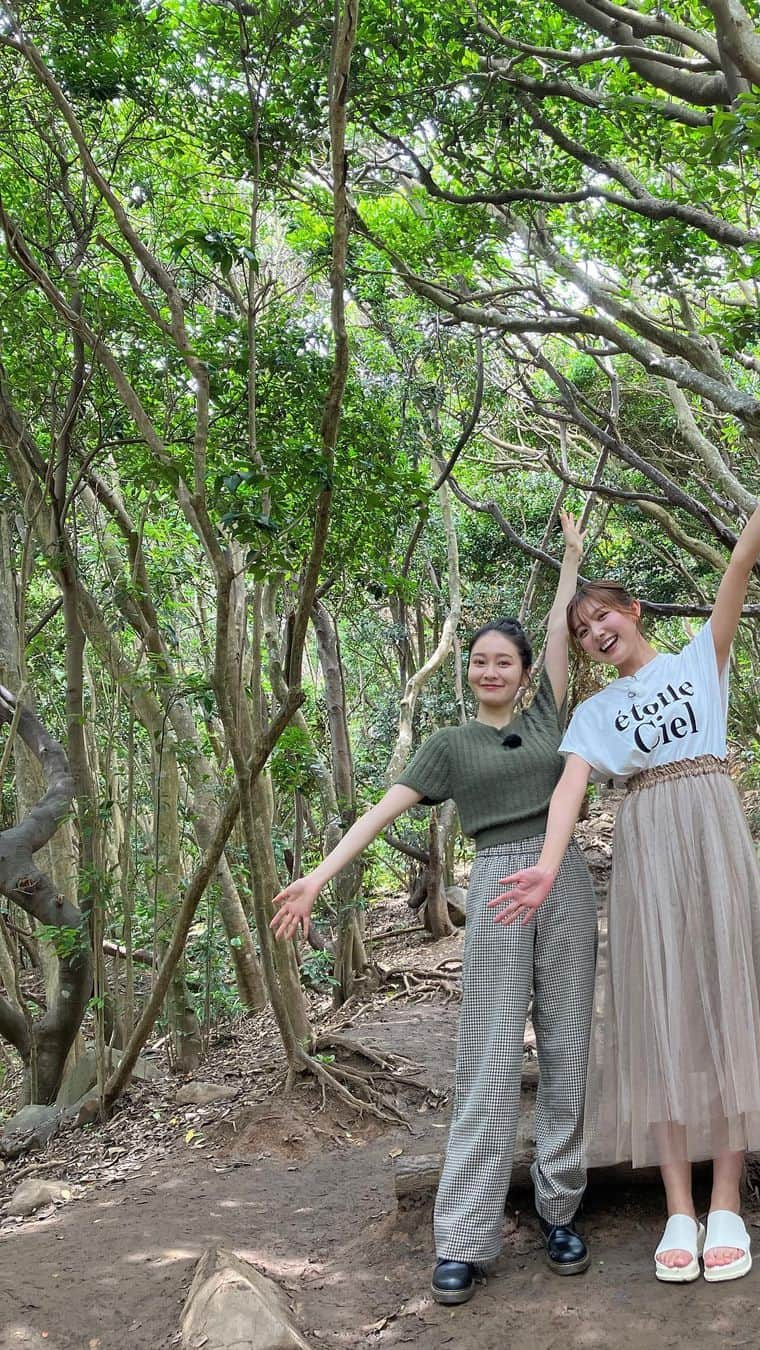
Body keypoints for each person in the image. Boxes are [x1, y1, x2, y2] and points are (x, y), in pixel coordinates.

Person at [490, 421, 760, 1284]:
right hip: (644, 847)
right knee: (660, 1015)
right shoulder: (593, 718)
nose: (596, 631)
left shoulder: (697, 662)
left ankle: (726, 1206)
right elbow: (568, 790)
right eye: (583, 626)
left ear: (633, 611)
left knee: (725, 1005)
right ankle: (678, 1206)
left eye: (604, 614)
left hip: (711, 834)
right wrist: (548, 862)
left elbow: (738, 569)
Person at [271, 513, 597, 1306]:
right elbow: (381, 811)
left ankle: (559, 1210)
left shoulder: (551, 713)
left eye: (504, 661)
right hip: (494, 885)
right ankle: (463, 1237)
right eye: (480, 661)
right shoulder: (449, 745)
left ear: (525, 672)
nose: (490, 669)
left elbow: (560, 625)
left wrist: (572, 559)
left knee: (566, 1046)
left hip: (563, 881)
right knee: (486, 1056)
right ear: (470, 673)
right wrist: (317, 877)